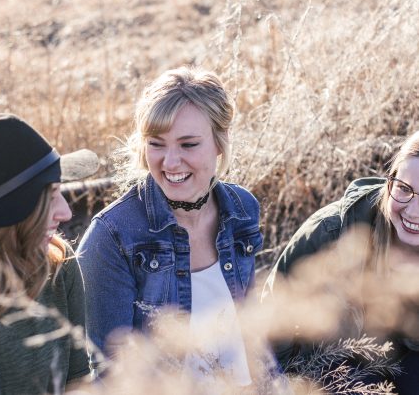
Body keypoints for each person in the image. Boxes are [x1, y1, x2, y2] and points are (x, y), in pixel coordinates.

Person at [78, 67, 263, 386]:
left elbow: (249, 331)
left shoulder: (242, 209)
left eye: (188, 144)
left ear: (220, 143)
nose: (170, 162)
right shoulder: (112, 236)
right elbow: (113, 376)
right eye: (157, 144)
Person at [263, 131, 419, 394]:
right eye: (404, 189)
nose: (413, 211)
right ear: (389, 181)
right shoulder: (332, 231)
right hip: (332, 367)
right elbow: (272, 317)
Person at [0, 113, 99, 395]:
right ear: (7, 212)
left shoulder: (56, 264)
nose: (65, 212)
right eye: (50, 195)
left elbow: (79, 383)